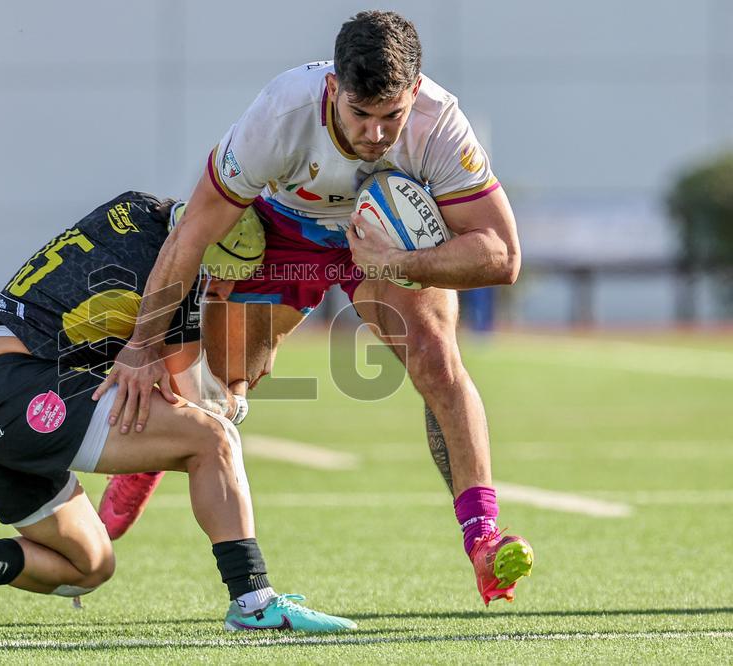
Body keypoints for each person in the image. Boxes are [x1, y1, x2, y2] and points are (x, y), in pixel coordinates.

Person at [95, 12, 533, 606]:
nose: (377, 135)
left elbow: (502, 255)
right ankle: (144, 465)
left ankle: (483, 539)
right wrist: (144, 345)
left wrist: (396, 264)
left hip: (389, 241)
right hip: (285, 231)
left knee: (436, 359)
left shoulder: (439, 124)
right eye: (361, 115)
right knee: (218, 394)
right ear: (334, 90)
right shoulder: (280, 116)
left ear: (415, 91)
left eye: (392, 117)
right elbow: (193, 231)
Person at [0, 191, 357, 632]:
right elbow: (196, 397)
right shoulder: (175, 269)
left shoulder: (134, 210)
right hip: (22, 391)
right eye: (225, 277)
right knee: (214, 439)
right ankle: (254, 601)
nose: (223, 290)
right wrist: (234, 402)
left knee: (89, 564)